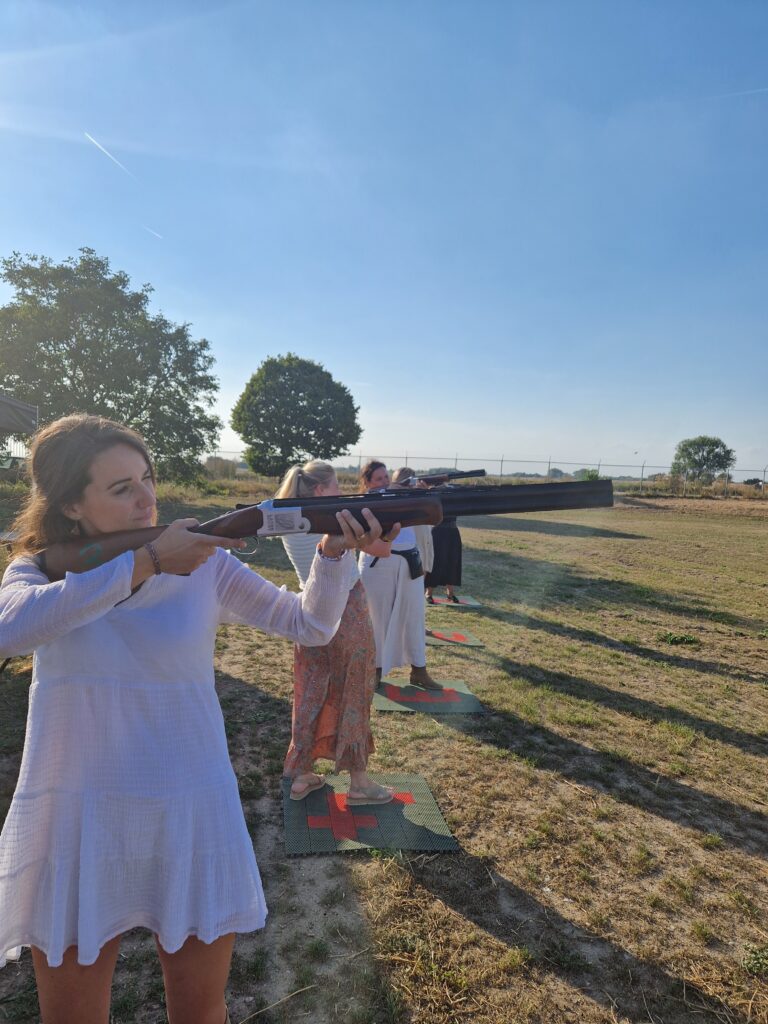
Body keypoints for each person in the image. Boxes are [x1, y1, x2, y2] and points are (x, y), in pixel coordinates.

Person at [0, 415, 388, 1024]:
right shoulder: (35, 571)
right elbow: (10, 631)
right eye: (121, 487)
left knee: (201, 1013)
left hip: (188, 801)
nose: (147, 497)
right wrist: (150, 560)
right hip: (81, 812)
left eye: (148, 478)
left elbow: (309, 625)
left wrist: (334, 553)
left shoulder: (205, 564)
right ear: (72, 504)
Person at [275, 461, 396, 806]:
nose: (341, 493)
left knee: (310, 693)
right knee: (355, 690)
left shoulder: (290, 519)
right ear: (319, 491)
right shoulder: (333, 522)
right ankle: (358, 782)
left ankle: (301, 775)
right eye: (335, 487)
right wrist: (389, 531)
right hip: (348, 612)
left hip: (309, 612)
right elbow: (382, 549)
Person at [358, 461, 440, 690]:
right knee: (377, 618)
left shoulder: (405, 496)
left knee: (415, 616)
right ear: (367, 483)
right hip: (378, 563)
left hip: (409, 561)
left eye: (386, 477)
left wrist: (421, 495)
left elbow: (428, 517)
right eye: (379, 479)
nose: (384, 482)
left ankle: (419, 670)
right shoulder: (365, 502)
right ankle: (374, 671)